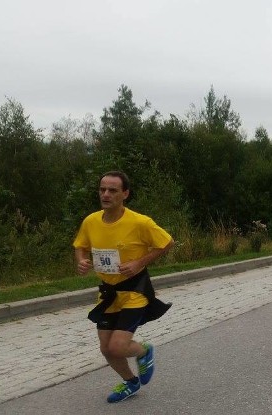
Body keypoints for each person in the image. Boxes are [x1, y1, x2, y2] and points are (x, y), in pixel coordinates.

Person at [73, 171, 174, 403]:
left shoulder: (140, 222)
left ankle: (143, 351)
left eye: (112, 190)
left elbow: (167, 242)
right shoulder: (91, 221)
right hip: (108, 293)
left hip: (134, 292)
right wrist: (81, 260)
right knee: (106, 349)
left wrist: (139, 262)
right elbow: (80, 245)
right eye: (102, 189)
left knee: (118, 347)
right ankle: (130, 382)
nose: (105, 194)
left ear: (125, 194)